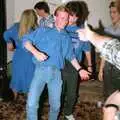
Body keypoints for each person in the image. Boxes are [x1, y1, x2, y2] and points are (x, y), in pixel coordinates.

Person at [22, 5, 90, 120]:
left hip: (56, 74)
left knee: (56, 106)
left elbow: (71, 56)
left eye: (67, 18)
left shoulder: (66, 37)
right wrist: (36, 52)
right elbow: (26, 41)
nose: (65, 21)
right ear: (55, 17)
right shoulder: (43, 30)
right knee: (31, 104)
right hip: (41, 71)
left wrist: (80, 69)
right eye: (62, 18)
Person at [62, 1, 92, 120]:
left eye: (75, 15)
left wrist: (90, 66)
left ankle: (68, 112)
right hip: (60, 64)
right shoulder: (60, 28)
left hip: (75, 66)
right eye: (70, 14)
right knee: (59, 91)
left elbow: (87, 49)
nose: (72, 18)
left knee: (72, 94)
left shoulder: (81, 31)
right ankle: (57, 109)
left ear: (78, 16)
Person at [3, 9, 38, 100]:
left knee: (16, 78)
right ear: (32, 18)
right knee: (30, 79)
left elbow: (6, 34)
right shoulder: (35, 30)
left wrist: (9, 42)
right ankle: (29, 102)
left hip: (18, 57)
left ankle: (13, 100)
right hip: (30, 58)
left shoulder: (16, 26)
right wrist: (10, 42)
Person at [98, 1, 120, 99]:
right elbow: (105, 50)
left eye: (114, 12)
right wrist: (101, 70)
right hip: (108, 68)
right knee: (108, 96)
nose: (111, 15)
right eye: (110, 12)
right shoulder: (107, 29)